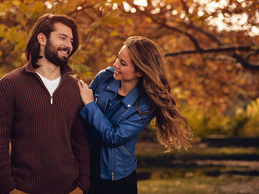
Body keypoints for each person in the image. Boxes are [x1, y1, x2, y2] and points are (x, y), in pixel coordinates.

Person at [0, 13, 90, 194]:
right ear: (42, 38)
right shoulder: (9, 84)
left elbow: (81, 143)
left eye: (71, 41)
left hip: (69, 190)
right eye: (63, 38)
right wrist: (8, 188)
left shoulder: (77, 88)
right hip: (23, 189)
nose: (69, 45)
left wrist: (82, 186)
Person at [77, 36, 192, 194]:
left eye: (122, 63)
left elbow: (114, 137)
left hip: (115, 179)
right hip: (84, 167)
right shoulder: (104, 77)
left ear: (139, 71)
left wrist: (90, 106)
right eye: (118, 57)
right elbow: (80, 112)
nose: (115, 64)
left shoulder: (145, 106)